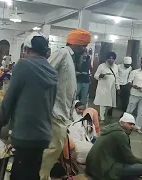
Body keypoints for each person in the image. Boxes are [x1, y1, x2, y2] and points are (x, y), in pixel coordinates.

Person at [0, 32, 58, 180]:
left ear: (27, 49)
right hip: (43, 135)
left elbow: (9, 99)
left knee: (20, 174)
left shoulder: (24, 65)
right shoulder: (53, 72)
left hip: (26, 134)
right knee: (31, 173)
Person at [40, 28, 91, 180]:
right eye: (83, 46)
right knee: (52, 148)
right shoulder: (62, 53)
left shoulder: (69, 58)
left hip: (62, 113)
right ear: (75, 44)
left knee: (54, 149)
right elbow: (44, 72)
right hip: (55, 111)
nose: (84, 50)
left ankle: (43, 175)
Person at [86, 112, 142, 180]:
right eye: (129, 124)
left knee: (133, 177)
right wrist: (141, 160)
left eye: (133, 124)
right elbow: (129, 158)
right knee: (140, 168)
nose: (132, 126)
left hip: (92, 167)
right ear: (121, 123)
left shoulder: (112, 128)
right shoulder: (121, 135)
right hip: (102, 170)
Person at [126, 57, 142, 134]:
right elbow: (129, 81)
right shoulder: (134, 72)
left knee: (141, 112)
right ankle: (126, 125)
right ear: (140, 63)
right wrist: (134, 86)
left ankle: (137, 127)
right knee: (129, 110)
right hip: (134, 94)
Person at [94, 52, 119, 123]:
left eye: (112, 58)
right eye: (109, 58)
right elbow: (95, 76)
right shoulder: (101, 66)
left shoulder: (116, 67)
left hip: (112, 88)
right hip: (103, 88)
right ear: (107, 59)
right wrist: (100, 76)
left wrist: (118, 87)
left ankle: (103, 115)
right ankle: (102, 118)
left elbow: (117, 77)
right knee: (103, 103)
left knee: (111, 104)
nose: (111, 60)